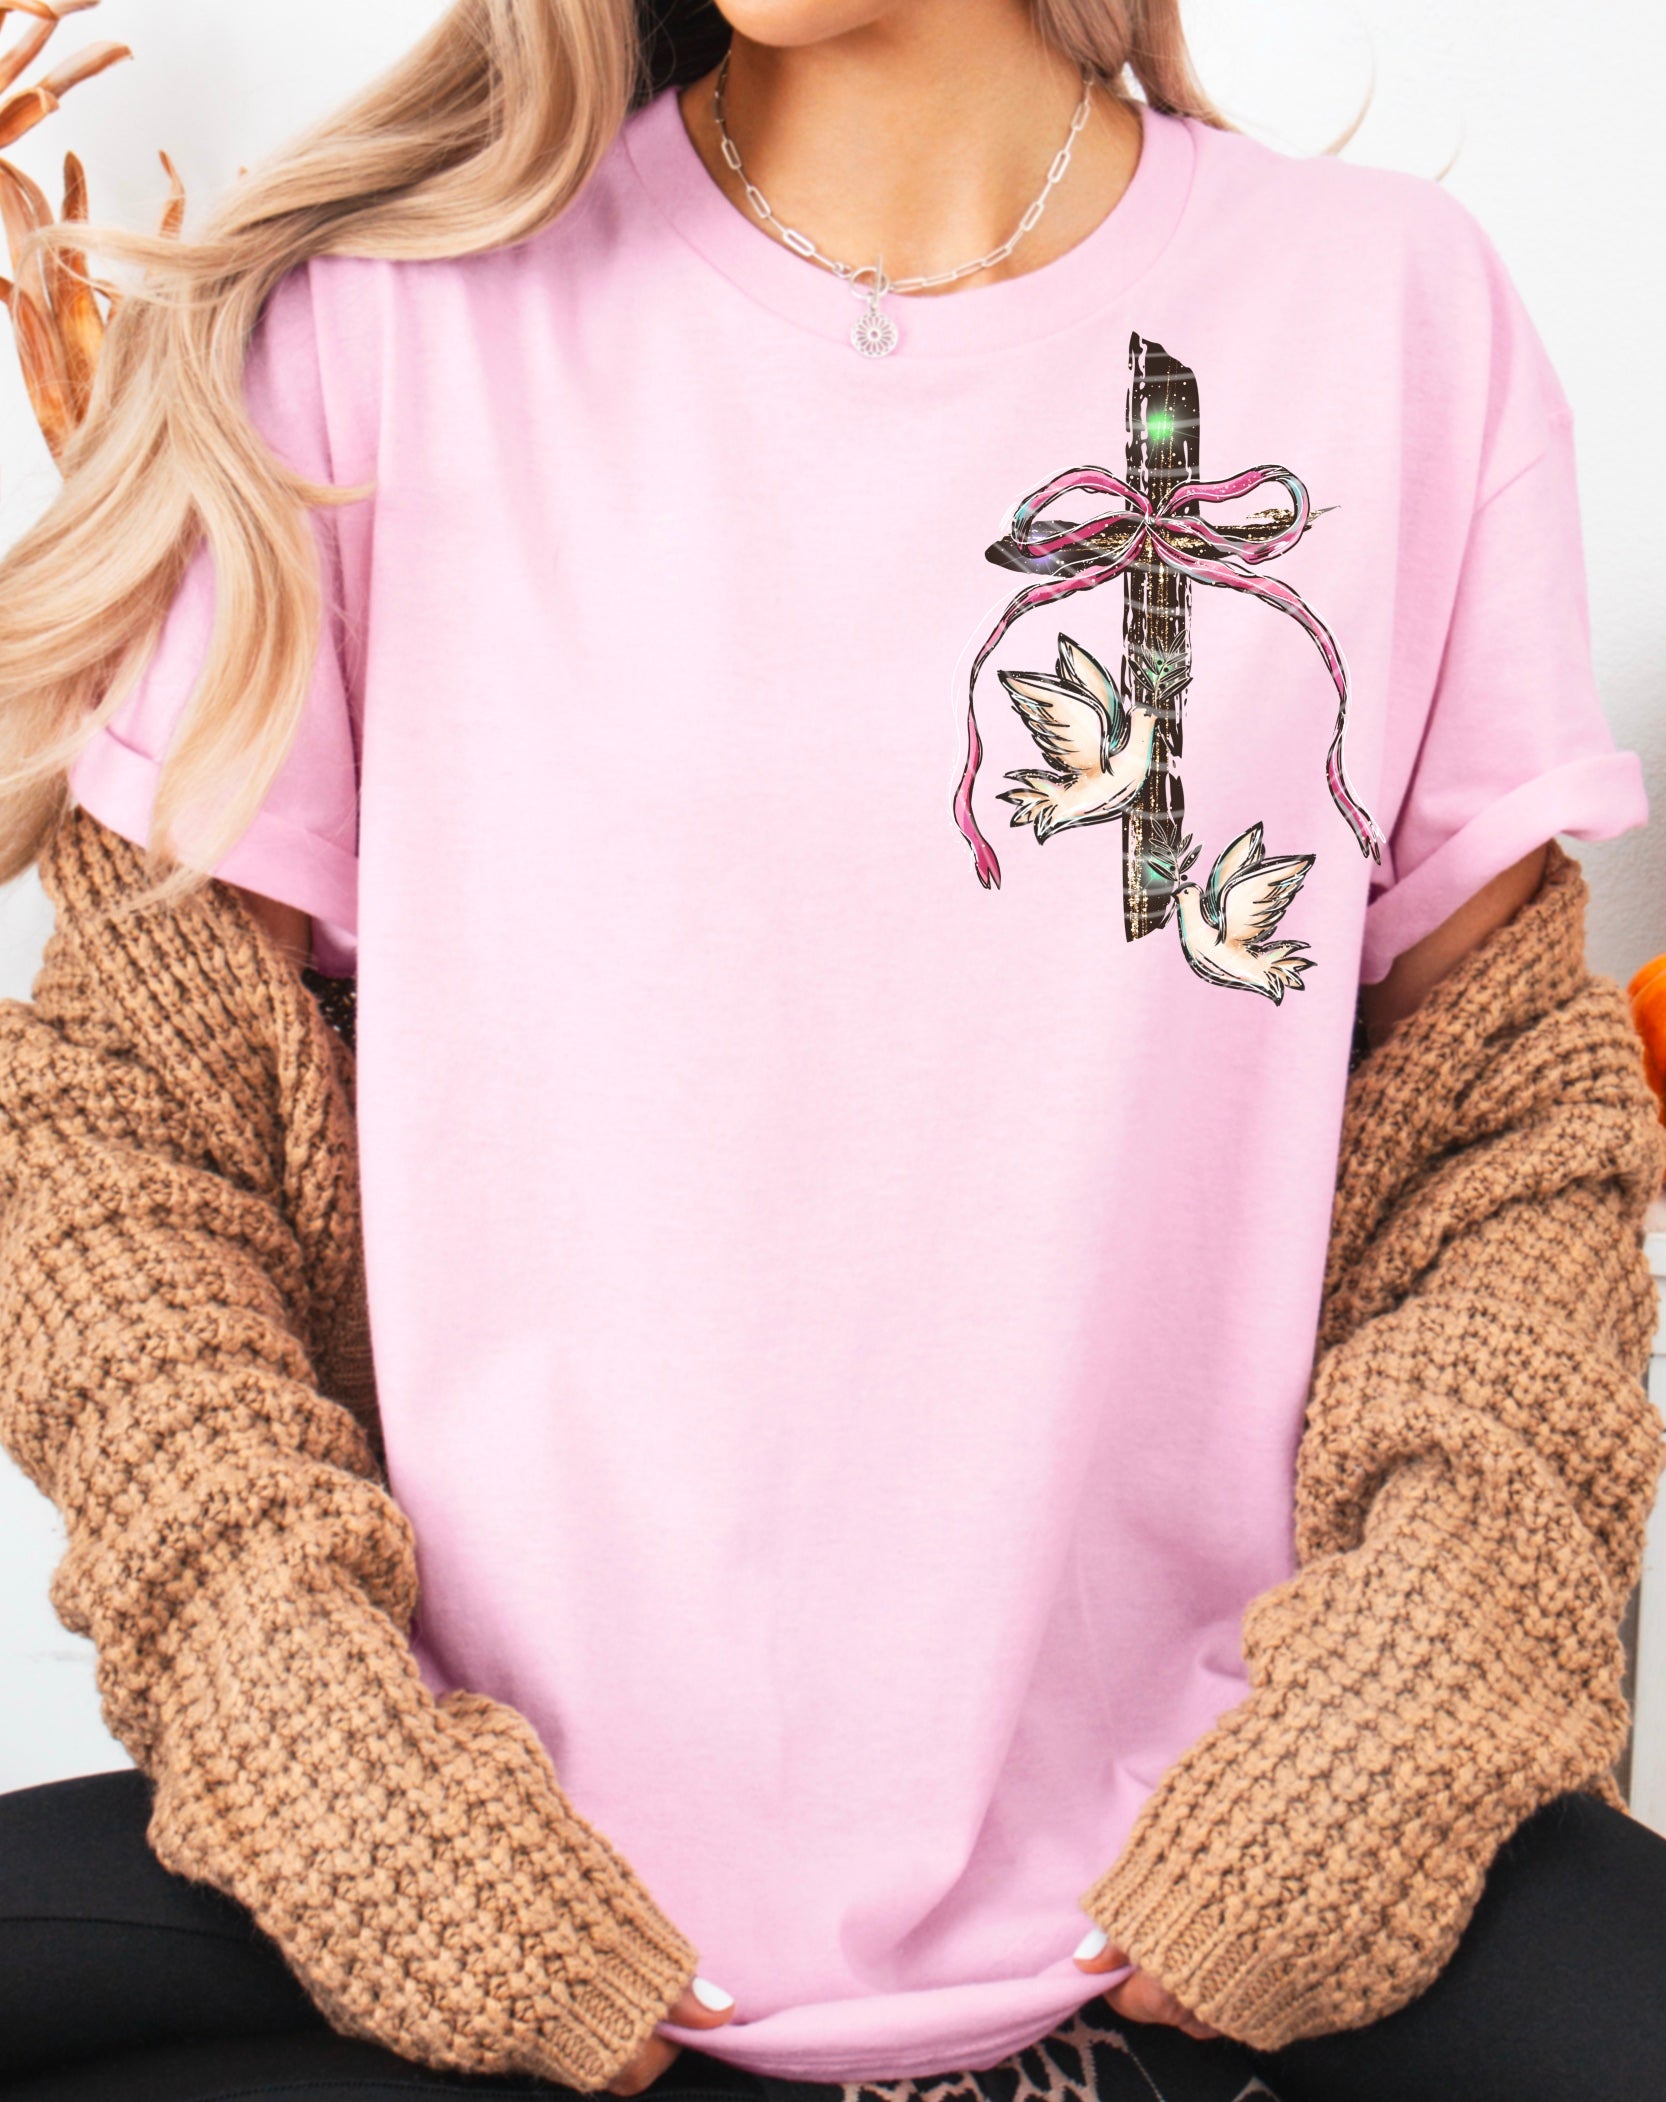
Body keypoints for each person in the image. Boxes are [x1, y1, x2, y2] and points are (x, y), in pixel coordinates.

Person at [0, 3, 1662, 2099]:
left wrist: (1389, 1725)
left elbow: (1501, 1144)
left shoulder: (1383, 307)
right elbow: (123, 1147)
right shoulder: (371, 333)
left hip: (1209, 1864)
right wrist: (336, 1769)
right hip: (514, 1901)